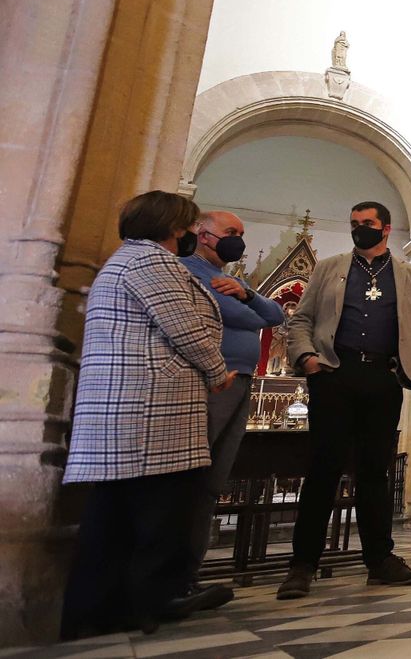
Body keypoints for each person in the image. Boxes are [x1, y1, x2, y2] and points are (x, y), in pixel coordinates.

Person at [60, 191, 236, 639]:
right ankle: (150, 599)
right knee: (160, 508)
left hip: (131, 402)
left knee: (116, 511)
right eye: (189, 226)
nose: (193, 234)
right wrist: (217, 372)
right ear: (174, 226)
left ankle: (102, 607)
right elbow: (186, 328)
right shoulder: (151, 263)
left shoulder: (125, 260)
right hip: (149, 402)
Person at [277, 201, 411, 599]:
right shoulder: (330, 267)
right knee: (323, 470)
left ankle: (380, 560)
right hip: (334, 373)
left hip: (382, 378)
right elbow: (301, 319)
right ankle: (302, 564)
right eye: (354, 224)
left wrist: (405, 365)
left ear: (385, 228)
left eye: (367, 223)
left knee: (374, 472)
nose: (359, 229)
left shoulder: (410, 275)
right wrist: (307, 358)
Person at [177, 210, 285, 608]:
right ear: (203, 235)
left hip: (241, 382)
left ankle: (188, 575)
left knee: (213, 483)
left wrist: (248, 294)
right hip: (209, 381)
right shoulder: (188, 269)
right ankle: (170, 576)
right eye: (230, 232)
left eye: (241, 233)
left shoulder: (235, 280)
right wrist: (246, 305)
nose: (237, 239)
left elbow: (273, 315)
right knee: (191, 477)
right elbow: (238, 316)